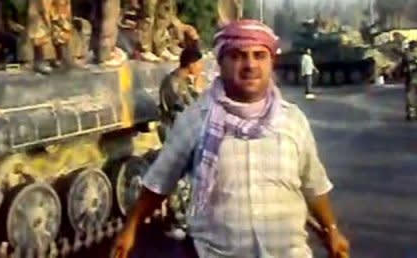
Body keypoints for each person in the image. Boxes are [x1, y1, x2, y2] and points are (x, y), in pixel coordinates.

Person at [112, 19, 349, 258]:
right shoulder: (196, 119)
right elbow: (159, 181)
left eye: (259, 55)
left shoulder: (292, 121)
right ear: (220, 62)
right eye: (237, 56)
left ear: (271, 62)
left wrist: (331, 230)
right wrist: (130, 228)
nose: (250, 65)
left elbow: (314, 184)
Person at [158, 45, 204, 240]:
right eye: (199, 63)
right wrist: (200, 89)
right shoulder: (175, 83)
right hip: (175, 136)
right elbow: (192, 108)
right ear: (191, 63)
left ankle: (183, 220)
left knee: (185, 182)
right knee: (179, 182)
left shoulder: (181, 81)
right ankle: (176, 222)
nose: (201, 67)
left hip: (182, 135)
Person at [403, 40, 417, 120]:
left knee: (411, 97)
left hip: (411, 78)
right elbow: (404, 66)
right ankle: (411, 113)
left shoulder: (407, 54)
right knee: (410, 97)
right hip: (411, 78)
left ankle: (412, 113)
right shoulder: (407, 54)